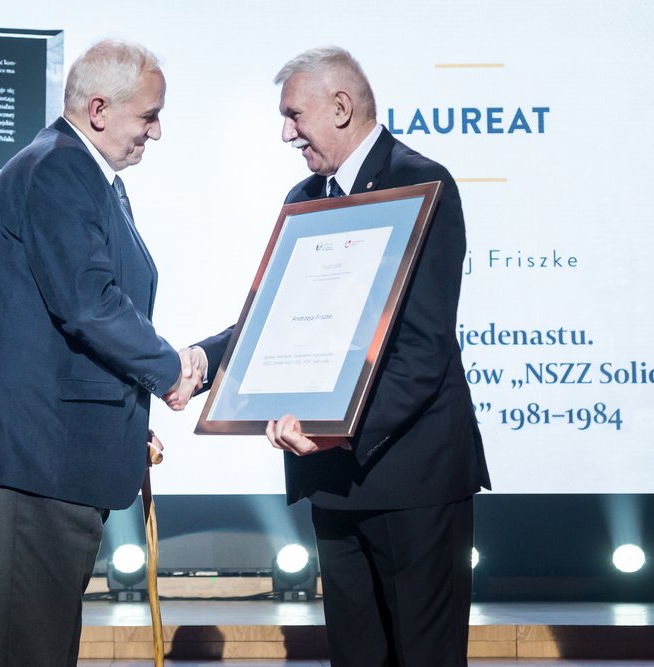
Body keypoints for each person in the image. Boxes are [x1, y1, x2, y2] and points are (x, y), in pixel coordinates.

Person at [190, 47, 491, 666]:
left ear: (342, 106)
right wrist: (201, 360)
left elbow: (423, 349)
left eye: (294, 115)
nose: (286, 133)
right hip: (332, 480)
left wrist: (336, 428)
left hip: (412, 477)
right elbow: (271, 322)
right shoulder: (306, 196)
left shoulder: (421, 183)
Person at [0, 39, 201, 667]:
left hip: (54, 455)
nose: (156, 132)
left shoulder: (81, 173)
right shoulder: (58, 169)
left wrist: (126, 411)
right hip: (34, 456)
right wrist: (171, 371)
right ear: (98, 109)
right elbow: (88, 305)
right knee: (31, 652)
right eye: (149, 116)